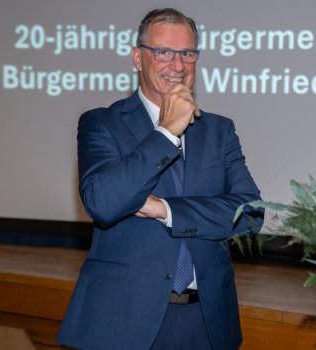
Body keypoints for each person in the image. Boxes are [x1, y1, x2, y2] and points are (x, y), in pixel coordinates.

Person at [56, 8, 264, 350]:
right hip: (123, 320)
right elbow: (103, 203)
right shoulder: (102, 123)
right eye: (163, 52)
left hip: (206, 322)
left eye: (188, 53)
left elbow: (251, 211)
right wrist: (166, 132)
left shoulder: (219, 130)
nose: (177, 65)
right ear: (138, 58)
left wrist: (165, 209)